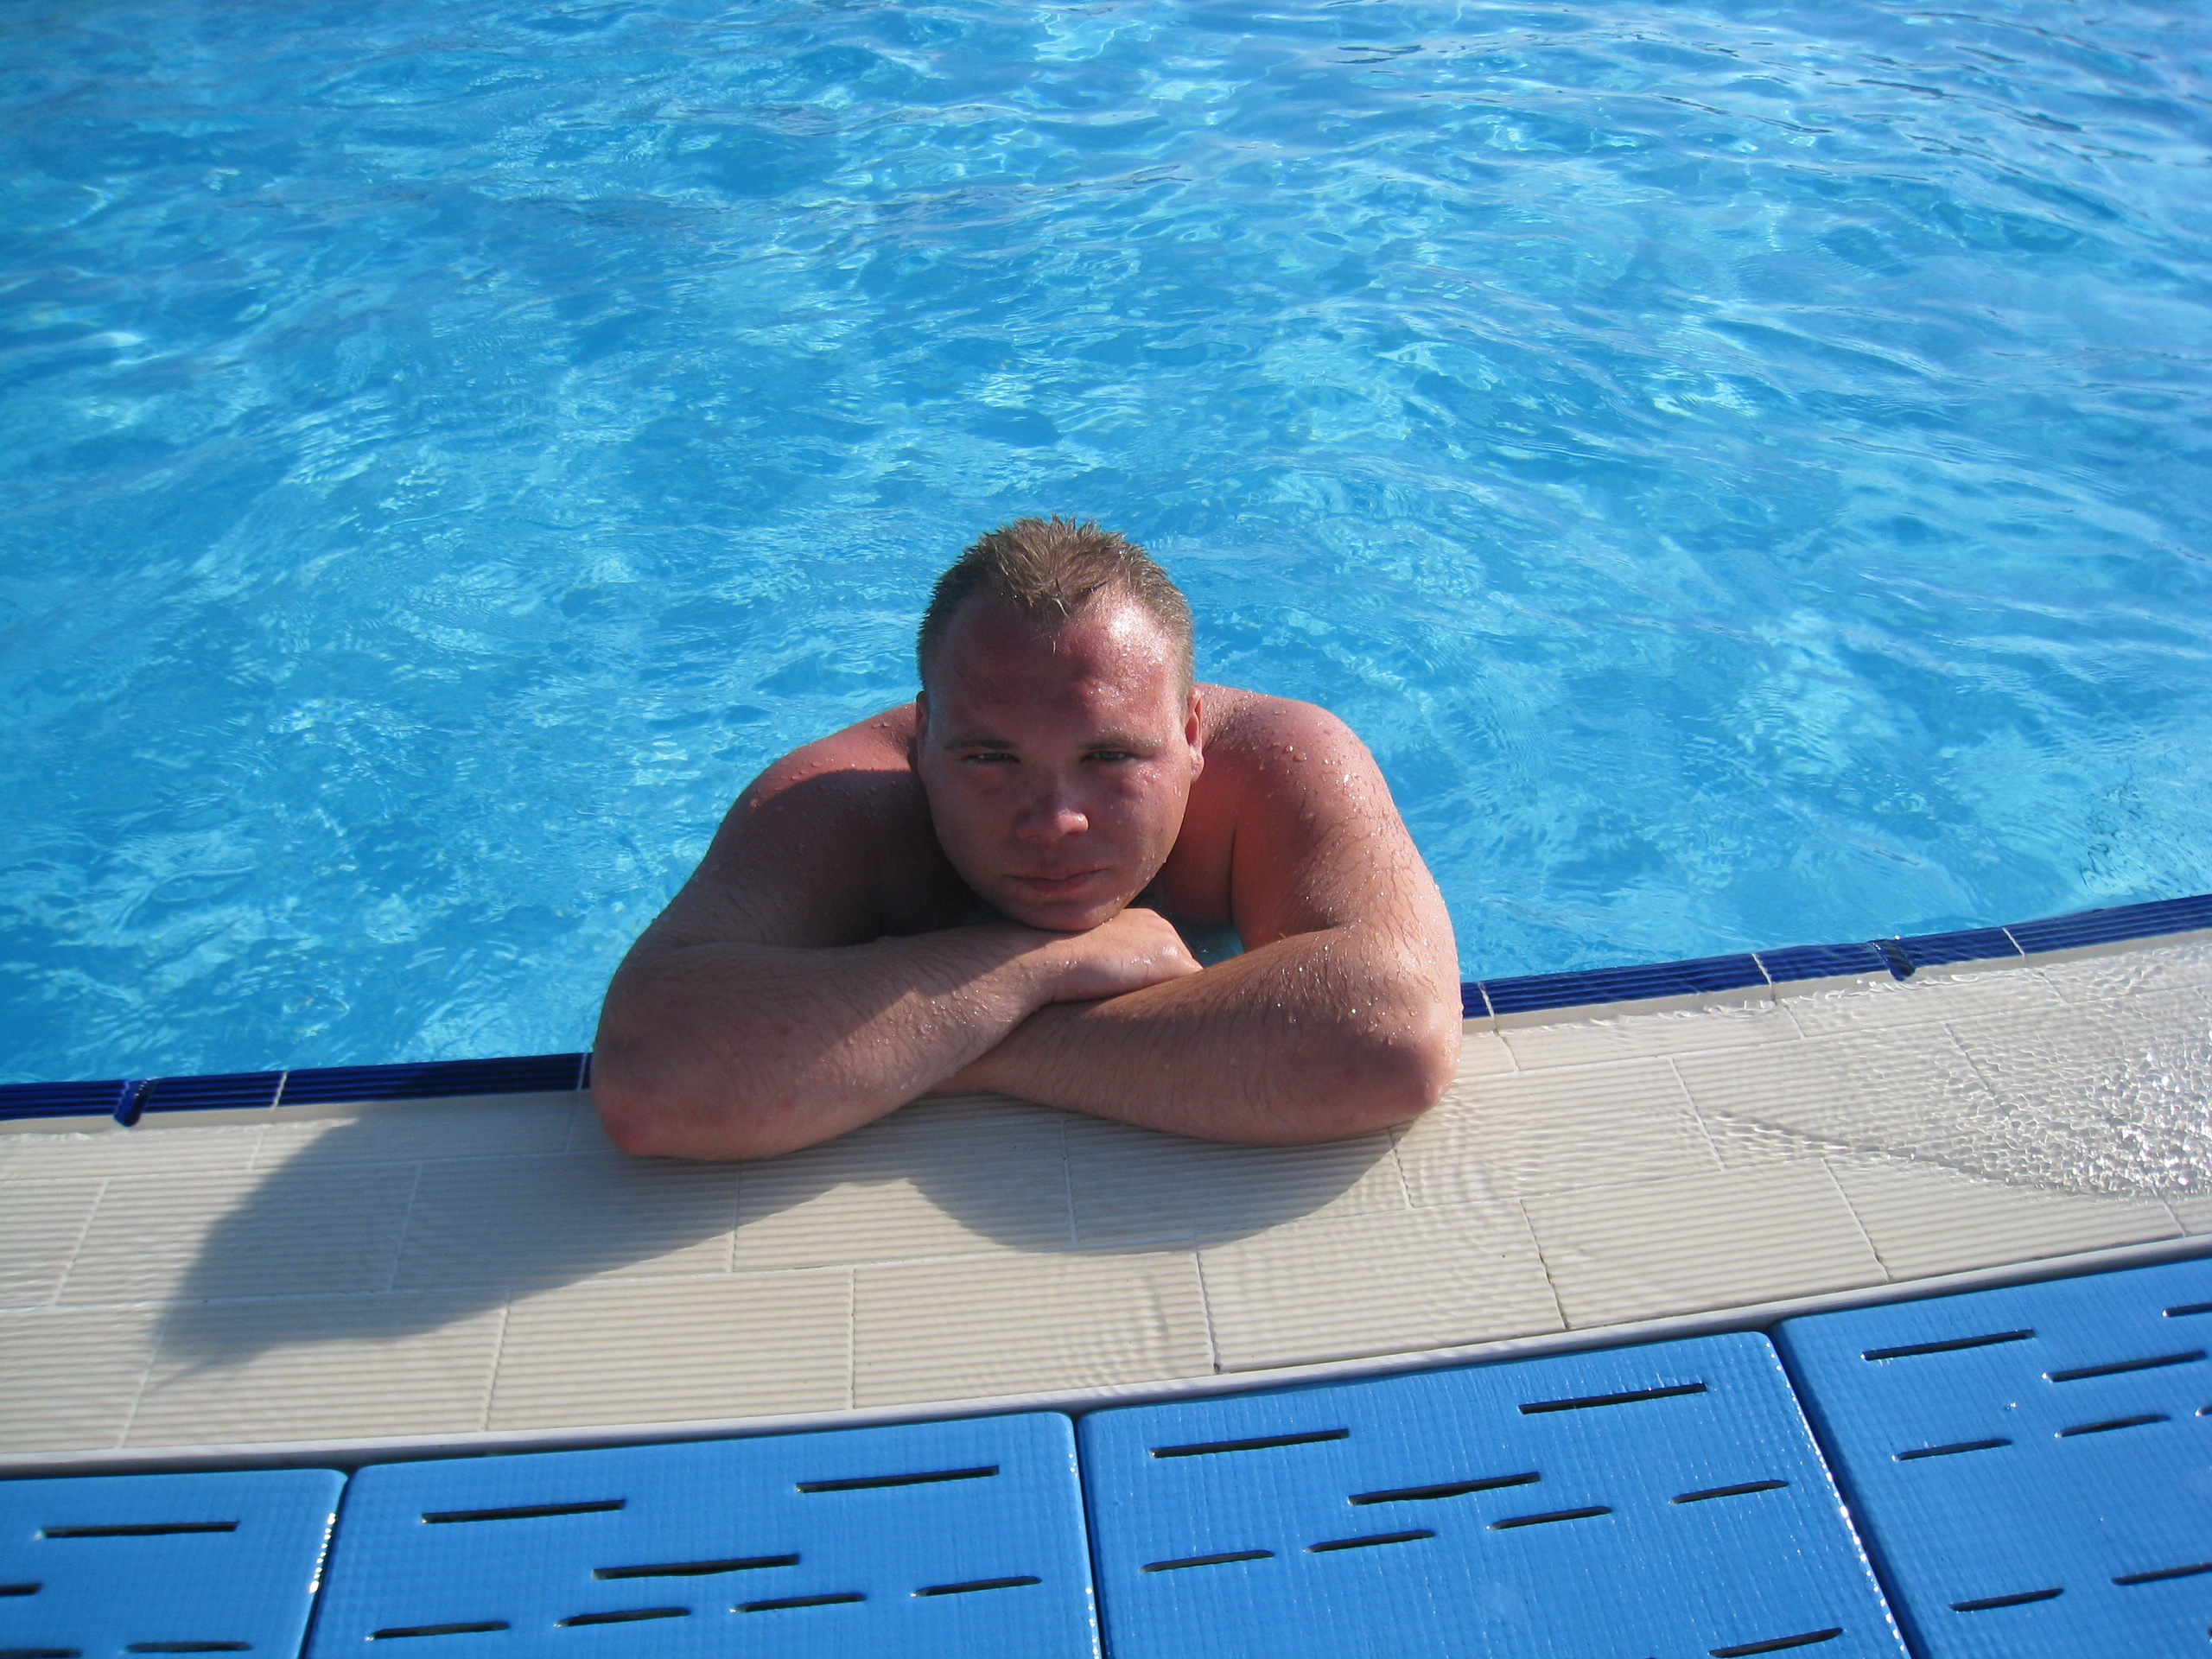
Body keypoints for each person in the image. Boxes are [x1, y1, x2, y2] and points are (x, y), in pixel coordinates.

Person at [592, 517, 1462, 1160]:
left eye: (1110, 757)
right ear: (923, 741)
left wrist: (931, 1046)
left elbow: (1392, 1037)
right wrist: (1039, 967)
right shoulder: (841, 805)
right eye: (989, 759)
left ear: (1192, 734)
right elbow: (647, 1075)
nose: (1054, 820)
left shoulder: (1278, 763)